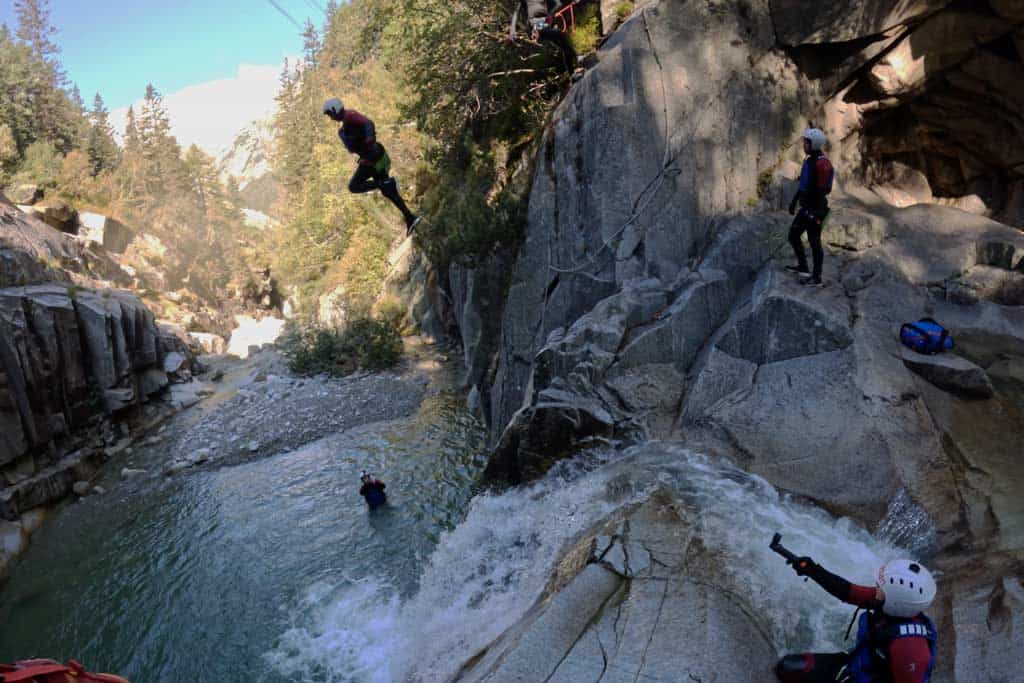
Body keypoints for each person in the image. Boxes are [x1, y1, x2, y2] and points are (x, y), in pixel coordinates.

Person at [776, 556, 937, 683]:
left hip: (865, 675)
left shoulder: (911, 650)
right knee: (787, 668)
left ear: (895, 602)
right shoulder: (893, 605)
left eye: (880, 589)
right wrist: (812, 570)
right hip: (857, 666)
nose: (876, 589)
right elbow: (848, 592)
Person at [323, 98, 421, 236]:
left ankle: (386, 184)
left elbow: (368, 123)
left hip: (373, 157)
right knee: (388, 191)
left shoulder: (350, 115)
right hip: (372, 157)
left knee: (354, 186)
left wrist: (369, 140)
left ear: (335, 109)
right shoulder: (343, 129)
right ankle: (410, 218)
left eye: (329, 113)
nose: (330, 117)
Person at [787, 127, 834, 287]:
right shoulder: (812, 161)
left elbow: (823, 190)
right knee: (793, 236)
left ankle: (816, 276)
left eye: (806, 142)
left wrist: (811, 211)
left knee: (814, 242)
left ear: (813, 144)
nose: (803, 145)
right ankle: (804, 268)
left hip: (815, 210)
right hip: (808, 208)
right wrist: (795, 202)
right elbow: (804, 185)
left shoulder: (819, 164)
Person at [511, 0, 582, 77]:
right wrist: (512, 31)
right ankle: (577, 57)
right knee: (561, 35)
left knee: (564, 46)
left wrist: (570, 2)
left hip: (546, 22)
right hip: (536, 24)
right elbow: (516, 12)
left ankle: (572, 75)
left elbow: (558, 3)